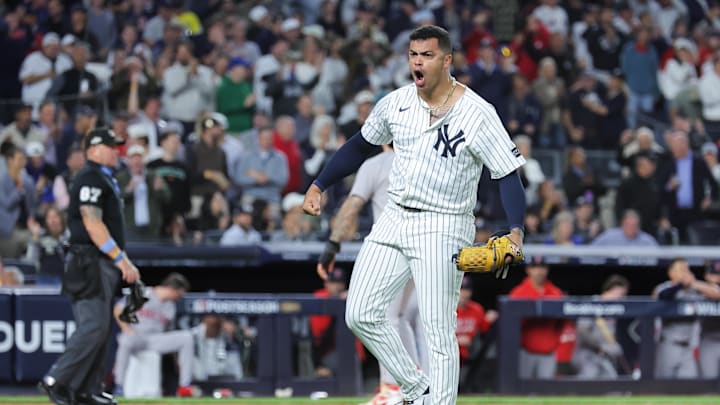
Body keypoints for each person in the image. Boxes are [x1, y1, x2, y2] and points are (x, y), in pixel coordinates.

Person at [302, 25, 526, 404]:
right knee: (359, 312)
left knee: (438, 328)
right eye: (413, 54)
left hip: (445, 222)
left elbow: (507, 174)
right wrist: (319, 183)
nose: (417, 62)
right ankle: (416, 388)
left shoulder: (477, 113)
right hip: (394, 216)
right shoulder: (396, 103)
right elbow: (358, 146)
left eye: (427, 55)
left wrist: (516, 231)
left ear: (447, 60)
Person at [318, 143, 427, 405]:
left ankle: (392, 387)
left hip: (393, 247)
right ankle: (416, 382)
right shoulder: (425, 159)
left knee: (381, 316)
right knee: (398, 315)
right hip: (424, 245)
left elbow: (352, 206)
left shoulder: (375, 164)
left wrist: (333, 244)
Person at [40, 127, 141, 405]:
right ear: (93, 149)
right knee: (94, 325)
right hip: (89, 262)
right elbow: (91, 222)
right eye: (110, 146)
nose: (116, 151)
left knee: (103, 328)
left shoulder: (103, 178)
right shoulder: (89, 177)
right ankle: (59, 380)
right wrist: (121, 258)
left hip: (99, 263)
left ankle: (87, 390)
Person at [112, 272, 194, 397]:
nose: (179, 297)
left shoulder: (170, 307)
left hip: (155, 340)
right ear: (172, 289)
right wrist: (126, 328)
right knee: (126, 340)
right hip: (136, 336)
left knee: (187, 337)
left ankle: (184, 386)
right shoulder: (144, 293)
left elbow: (168, 332)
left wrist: (177, 360)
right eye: (179, 293)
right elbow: (118, 309)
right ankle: (119, 385)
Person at [653, 258, 720, 378]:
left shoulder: (694, 289)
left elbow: (717, 294)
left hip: (689, 347)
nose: (685, 272)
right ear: (671, 272)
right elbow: (663, 296)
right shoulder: (664, 287)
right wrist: (680, 284)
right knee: (663, 386)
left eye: (686, 269)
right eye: (681, 269)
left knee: (690, 388)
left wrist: (694, 283)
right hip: (669, 345)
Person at [509, 256, 565, 379]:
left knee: (547, 393)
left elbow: (561, 323)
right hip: (525, 352)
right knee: (522, 392)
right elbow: (511, 325)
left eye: (542, 267)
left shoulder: (555, 293)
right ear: (528, 269)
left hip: (548, 353)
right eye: (535, 267)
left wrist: (554, 342)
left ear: (547, 270)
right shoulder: (518, 293)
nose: (539, 271)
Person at [572, 275, 630, 379]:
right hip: (586, 354)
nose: (622, 298)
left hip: (604, 356)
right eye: (621, 294)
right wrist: (601, 346)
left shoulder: (614, 309)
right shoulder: (592, 303)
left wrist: (612, 346)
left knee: (612, 385)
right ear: (612, 289)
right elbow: (582, 331)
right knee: (588, 380)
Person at [699, 260, 720, 378]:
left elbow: (717, 293)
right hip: (708, 340)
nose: (717, 277)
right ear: (707, 275)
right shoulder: (699, 289)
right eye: (714, 274)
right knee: (708, 382)